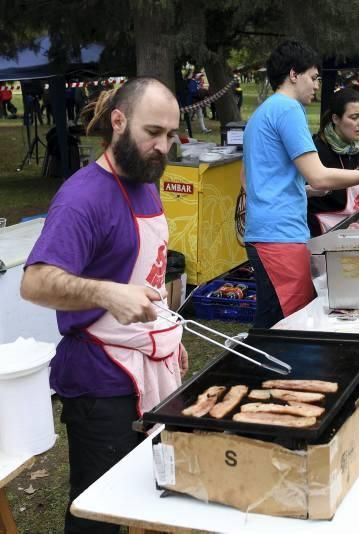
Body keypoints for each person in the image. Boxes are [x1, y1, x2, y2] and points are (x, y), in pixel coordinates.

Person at [20, 77, 188, 534]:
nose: (163, 147)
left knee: (150, 495)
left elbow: (147, 273)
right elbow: (34, 283)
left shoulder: (145, 181)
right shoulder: (82, 198)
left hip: (147, 364)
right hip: (100, 382)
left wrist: (167, 336)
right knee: (101, 515)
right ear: (119, 121)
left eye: (170, 136)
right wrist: (106, 292)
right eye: (152, 132)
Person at [243, 40, 359, 329]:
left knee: (271, 323)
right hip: (280, 235)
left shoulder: (262, 112)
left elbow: (259, 180)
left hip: (266, 231)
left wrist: (303, 191)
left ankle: (254, 372)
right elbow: (319, 175)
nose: (316, 85)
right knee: (288, 325)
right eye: (313, 77)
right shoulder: (288, 109)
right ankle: (260, 373)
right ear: (294, 74)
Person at [307, 88, 359, 237]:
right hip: (320, 232)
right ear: (335, 119)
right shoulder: (316, 151)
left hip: (356, 228)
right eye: (354, 117)